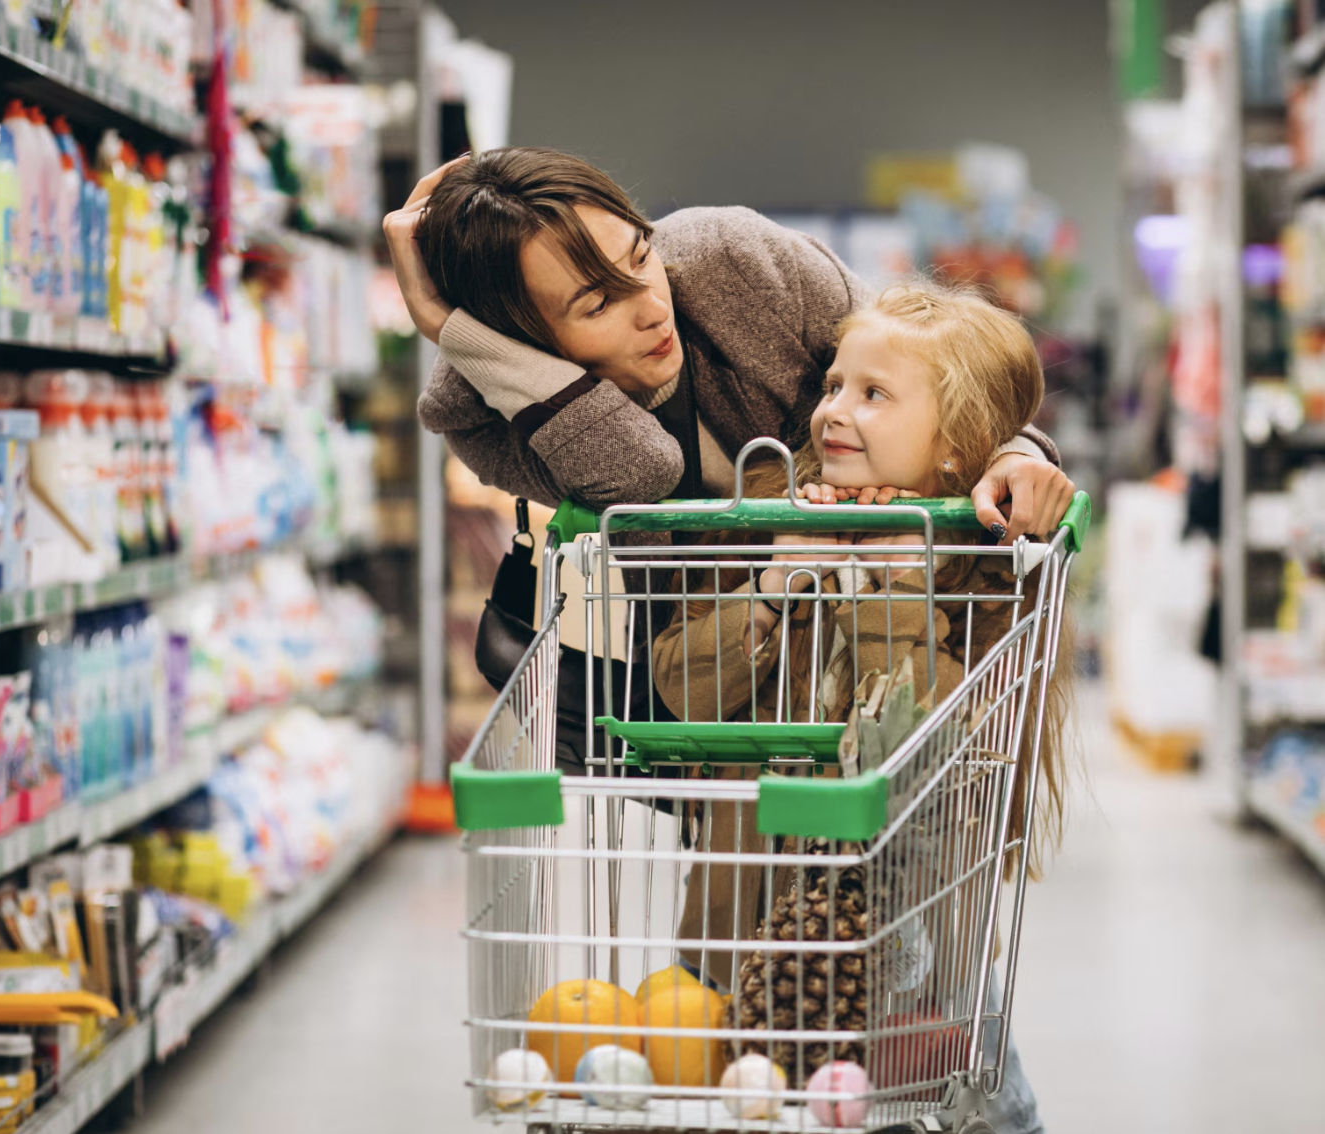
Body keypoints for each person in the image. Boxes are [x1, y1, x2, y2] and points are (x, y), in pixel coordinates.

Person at [651, 281, 1070, 1134]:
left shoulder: (989, 566)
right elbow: (677, 688)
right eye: (836, 385)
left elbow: (953, 751)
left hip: (915, 949)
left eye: (875, 395)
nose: (835, 410)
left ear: (956, 450)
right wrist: (773, 583)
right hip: (746, 927)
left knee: (968, 1106)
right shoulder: (766, 502)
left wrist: (896, 593)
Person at [383, 148, 1076, 538]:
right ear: (516, 338)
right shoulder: (484, 410)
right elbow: (638, 474)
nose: (652, 306)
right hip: (711, 678)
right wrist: (453, 331)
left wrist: (1015, 455)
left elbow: (932, 364)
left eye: (638, 253)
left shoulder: (737, 261)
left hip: (909, 599)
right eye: (597, 303)